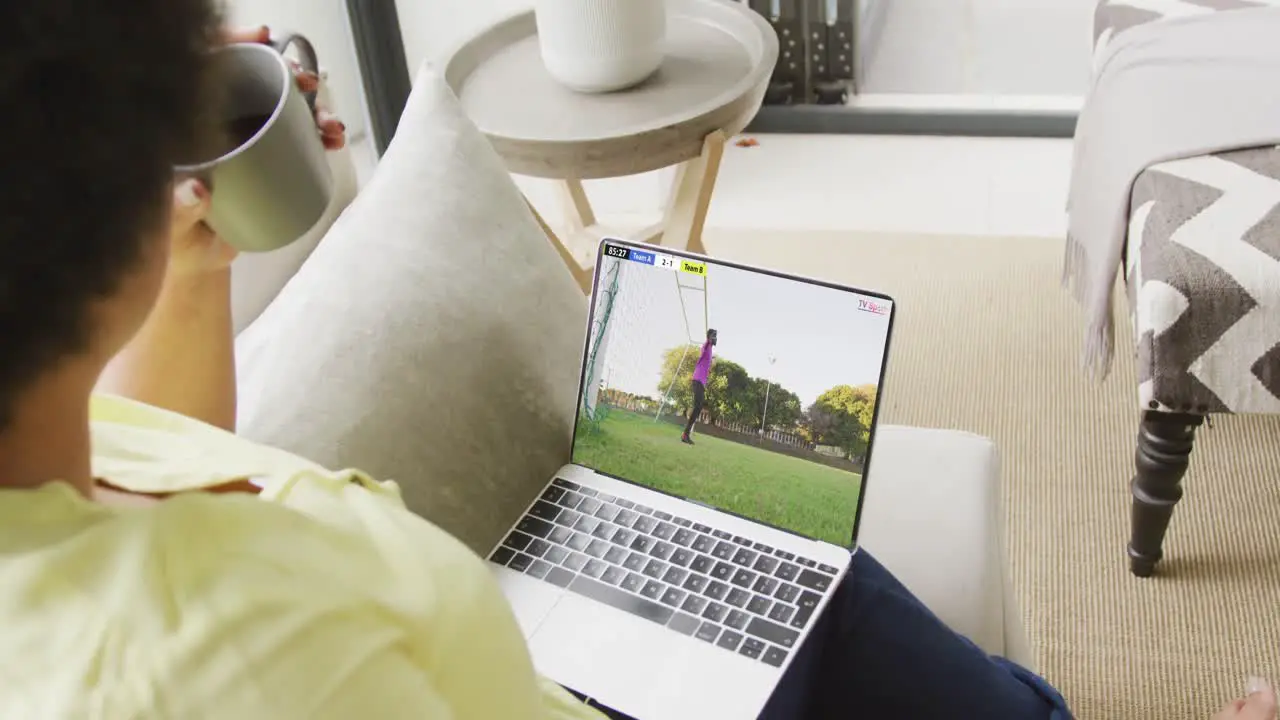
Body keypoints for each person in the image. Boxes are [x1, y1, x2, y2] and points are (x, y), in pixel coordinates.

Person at [0, 4, 1266, 719]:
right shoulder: (244, 667)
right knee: (852, 617)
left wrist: (198, 266)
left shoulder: (50, 465)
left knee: (781, 553)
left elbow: (147, 444)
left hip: (543, 631)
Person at [683, 328, 717, 445]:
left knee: (699, 407)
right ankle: (685, 434)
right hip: (697, 380)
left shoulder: (710, 351)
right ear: (709, 337)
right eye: (713, 336)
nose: (715, 338)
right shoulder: (705, 346)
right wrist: (709, 340)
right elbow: (707, 344)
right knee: (697, 406)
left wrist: (712, 363)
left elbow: (707, 366)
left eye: (715, 336)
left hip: (701, 382)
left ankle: (686, 433)